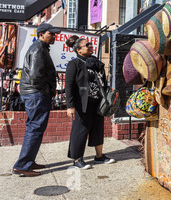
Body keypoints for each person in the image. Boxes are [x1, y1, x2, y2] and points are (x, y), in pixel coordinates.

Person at [12, 23, 61, 177]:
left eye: (54, 34)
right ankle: (22, 165)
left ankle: (28, 161)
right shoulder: (39, 49)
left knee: (34, 127)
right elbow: (36, 76)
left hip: (35, 93)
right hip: (37, 94)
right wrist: (46, 91)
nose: (54, 36)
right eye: (50, 33)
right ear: (41, 34)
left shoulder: (40, 48)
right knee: (35, 127)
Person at [65, 35, 115, 169]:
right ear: (78, 50)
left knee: (98, 129)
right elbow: (68, 86)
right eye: (87, 45)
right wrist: (70, 106)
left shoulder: (96, 63)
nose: (91, 46)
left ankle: (99, 157)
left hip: (98, 102)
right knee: (80, 130)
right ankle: (77, 159)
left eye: (91, 44)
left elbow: (103, 82)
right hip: (83, 103)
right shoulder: (74, 64)